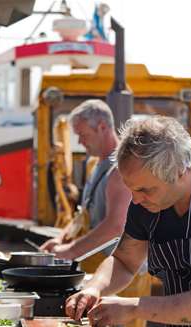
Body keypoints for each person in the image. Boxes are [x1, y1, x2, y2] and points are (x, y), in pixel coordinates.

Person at [65, 115, 191, 327]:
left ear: (179, 170)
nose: (135, 199)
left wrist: (134, 308)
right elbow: (124, 262)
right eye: (131, 189)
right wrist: (94, 288)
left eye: (145, 189)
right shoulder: (146, 205)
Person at [40, 99, 131, 262]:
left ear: (102, 127)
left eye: (83, 135)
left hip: (121, 275)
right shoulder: (94, 164)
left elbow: (115, 226)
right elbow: (83, 214)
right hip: (97, 266)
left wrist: (70, 251)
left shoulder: (121, 170)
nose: (80, 142)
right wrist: (60, 239)